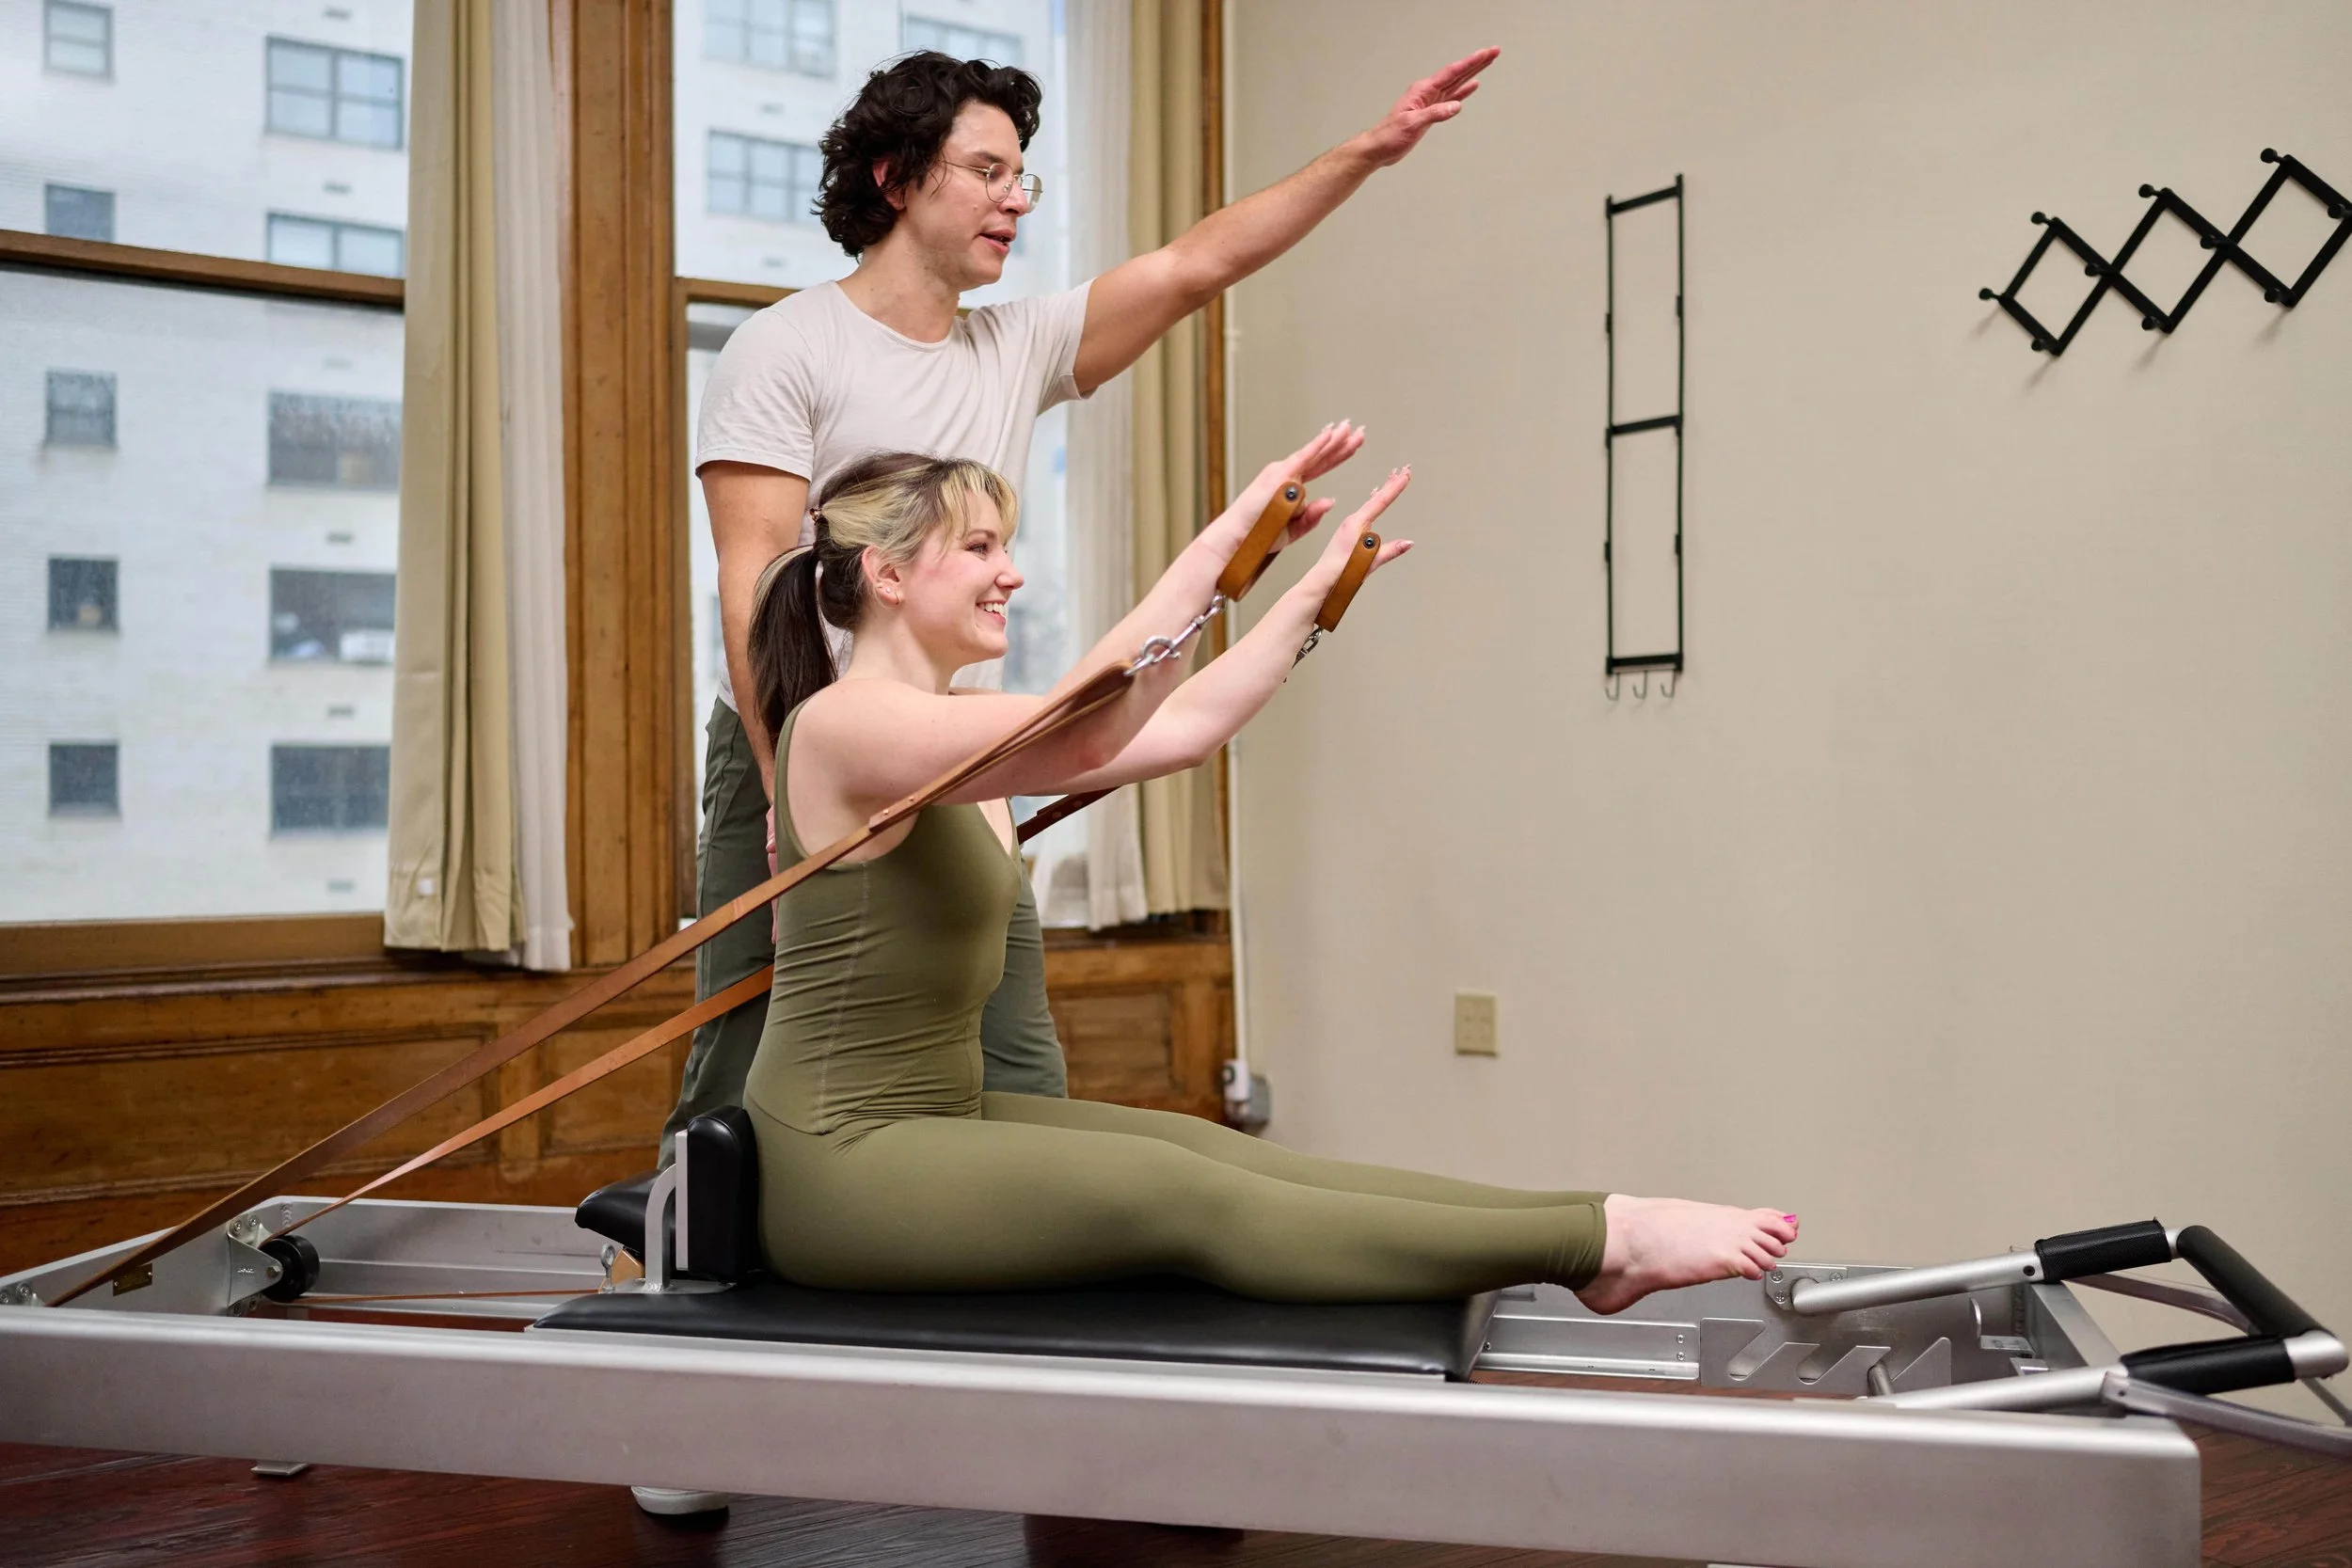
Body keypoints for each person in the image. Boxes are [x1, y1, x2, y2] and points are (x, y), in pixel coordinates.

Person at [739, 429, 1799, 1307]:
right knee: (1180, 1192)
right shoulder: (847, 724)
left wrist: (1300, 597)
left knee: (1231, 1157)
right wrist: (1228, 549)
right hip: (845, 1157)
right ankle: (1599, 1240)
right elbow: (1091, 731)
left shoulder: (948, 723)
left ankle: (1593, 1231)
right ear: (885, 573)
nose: (1009, 570)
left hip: (936, 1117)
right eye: (978, 547)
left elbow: (1180, 722)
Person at [668, 43, 1506, 1146]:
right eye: (986, 170)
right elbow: (754, 589)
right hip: (803, 751)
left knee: (1014, 1058)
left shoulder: (1017, 344)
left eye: (1026, 176)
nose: (1015, 198)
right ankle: (677, 1288)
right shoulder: (785, 348)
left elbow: (1192, 265)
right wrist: (787, 789)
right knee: (748, 1060)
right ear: (896, 176)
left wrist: (1369, 150)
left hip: (963, 755)